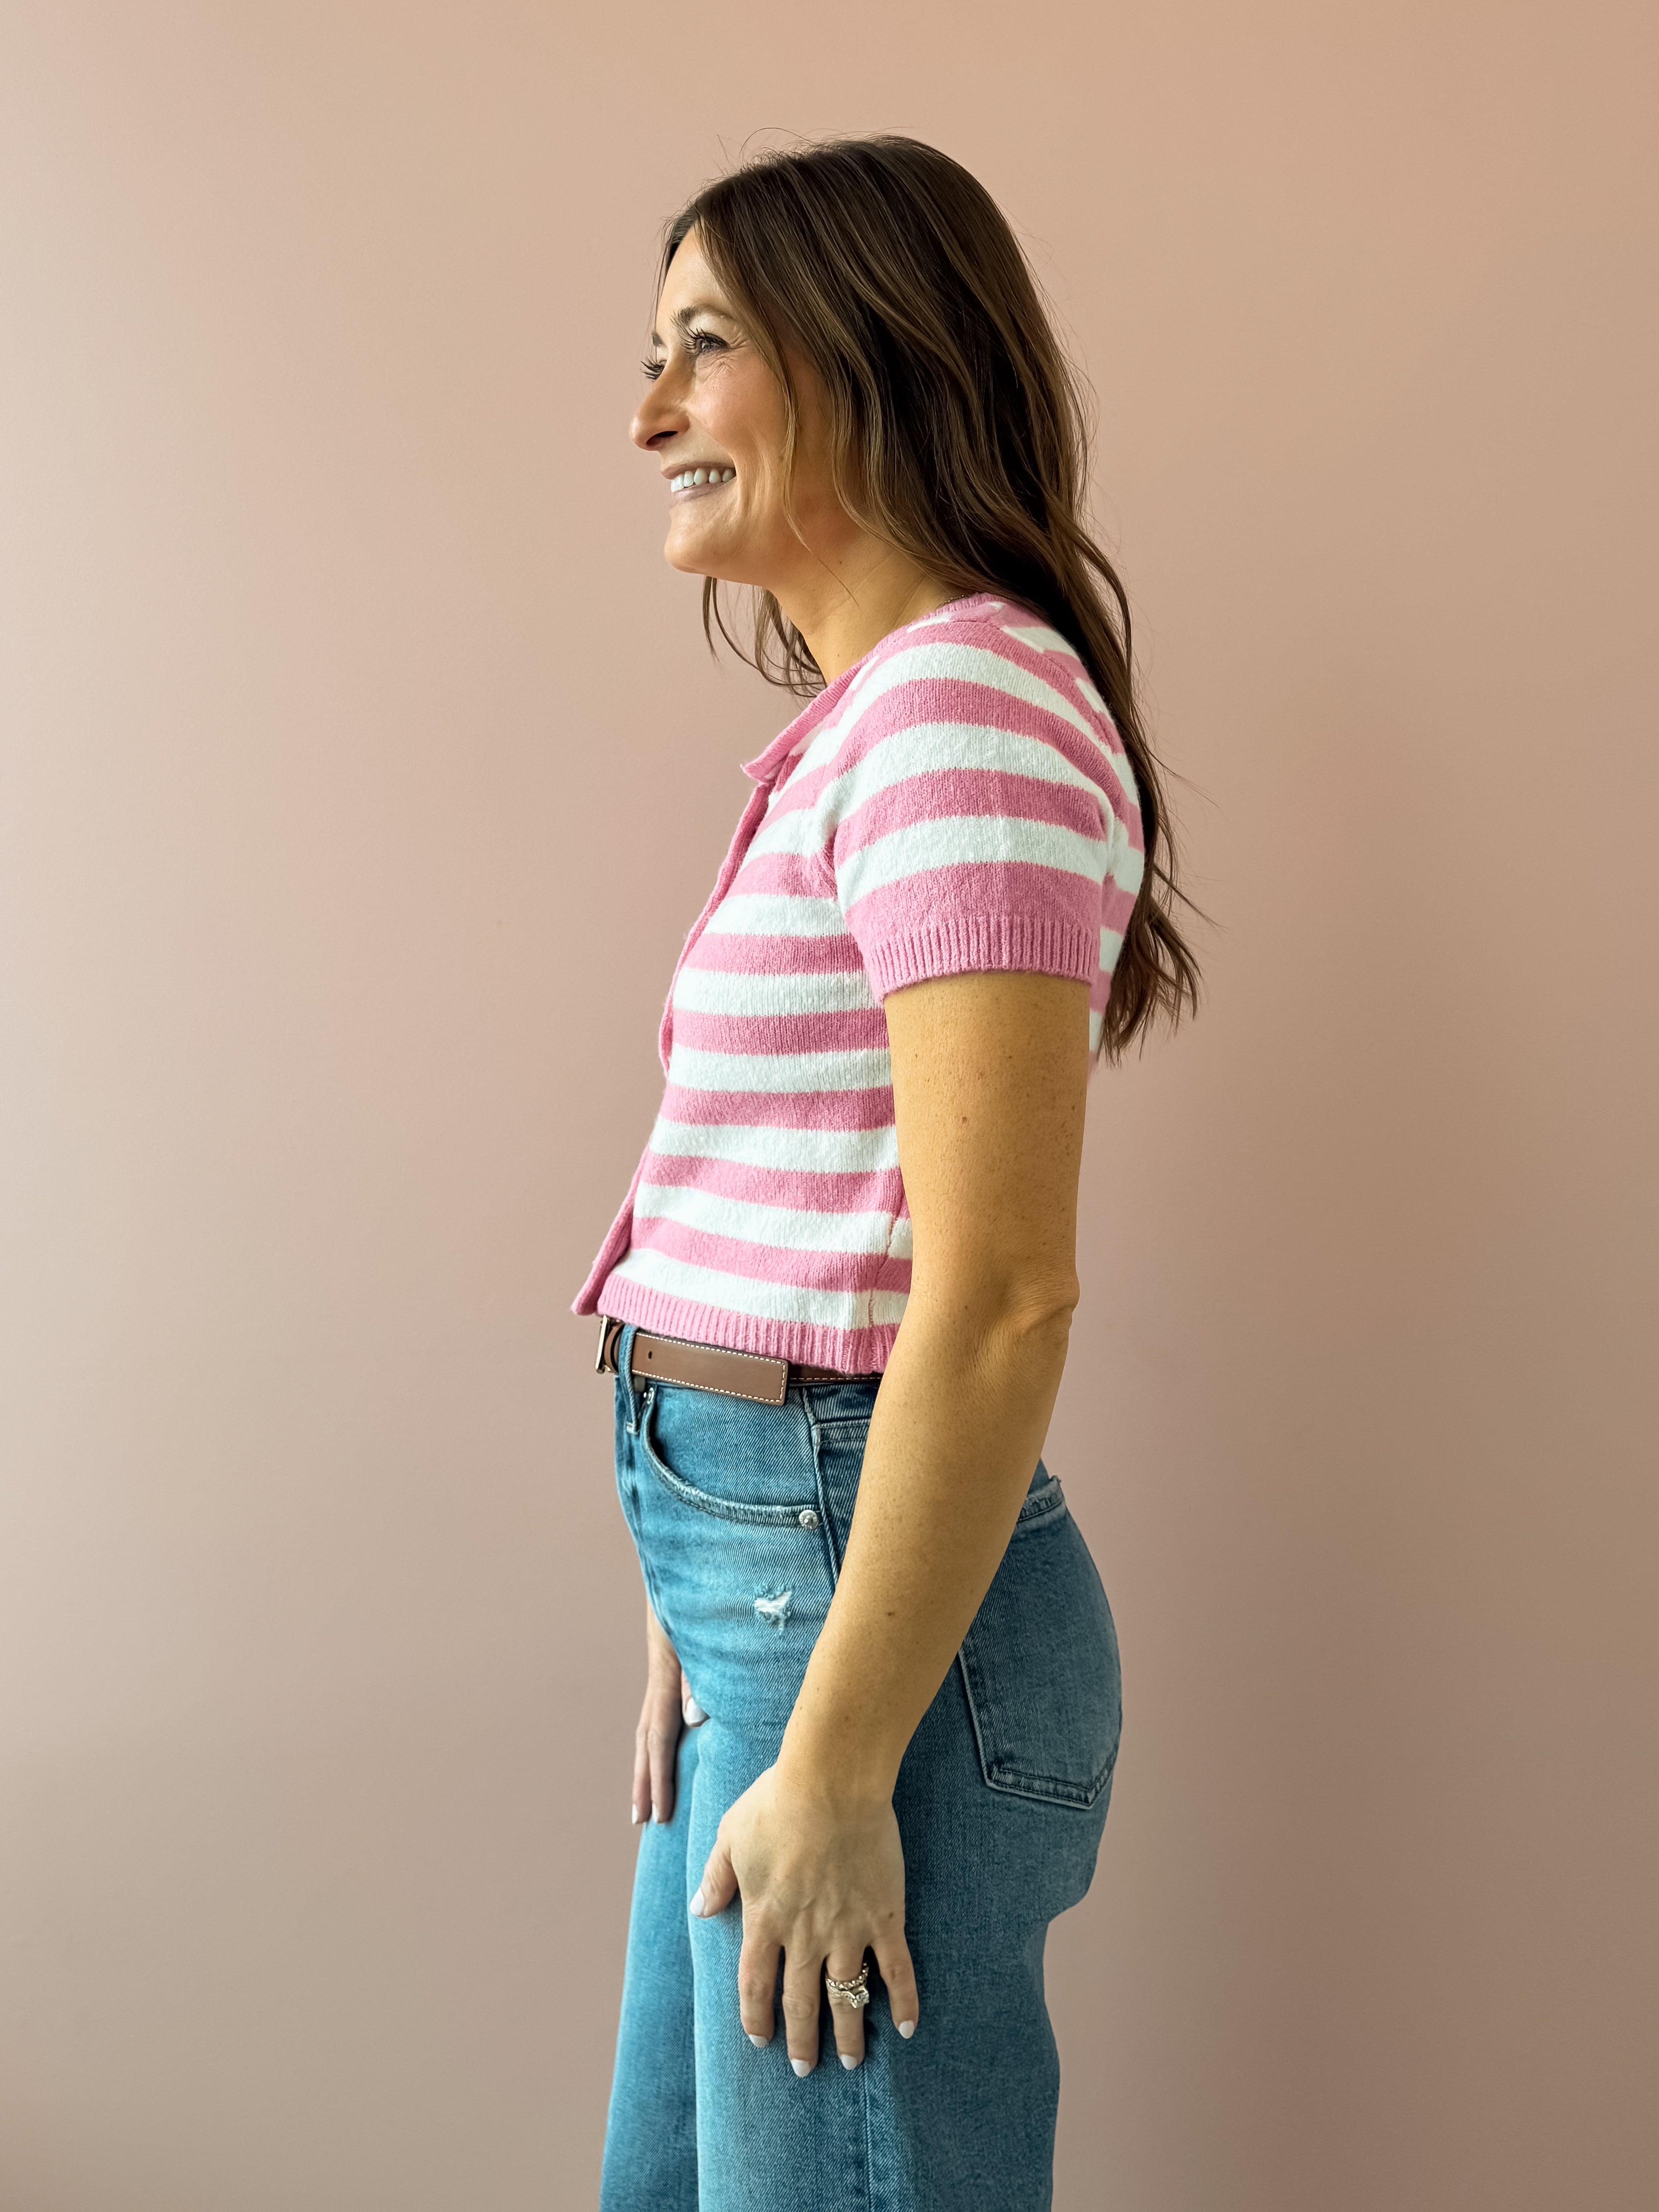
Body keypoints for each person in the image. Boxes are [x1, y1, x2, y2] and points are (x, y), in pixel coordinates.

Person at [574, 135, 1198, 2212]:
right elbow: (787, 1210)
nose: (649, 415)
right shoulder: (889, 716)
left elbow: (999, 1290)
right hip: (779, 1582)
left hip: (853, 1626)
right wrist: (694, 1565)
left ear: (865, 351)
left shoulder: (961, 712)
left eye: (703, 346)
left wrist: (836, 1744)